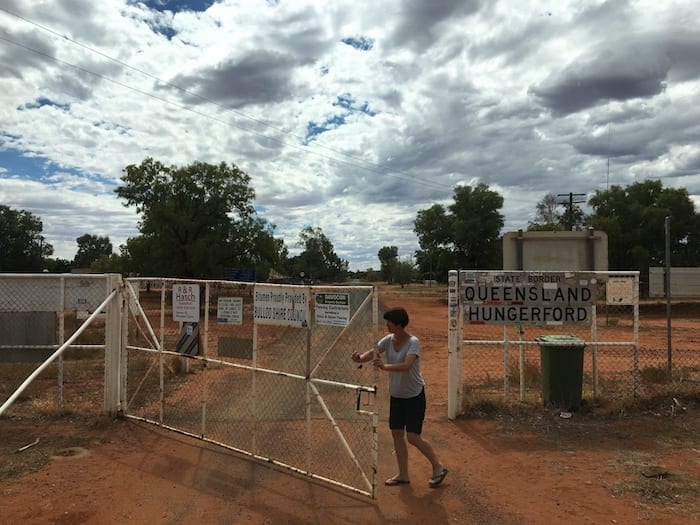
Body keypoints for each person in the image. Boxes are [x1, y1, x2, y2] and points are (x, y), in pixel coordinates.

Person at [351, 306, 448, 488]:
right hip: (397, 396)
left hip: (414, 396)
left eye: (389, 322)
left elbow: (407, 365)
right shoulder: (388, 340)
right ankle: (403, 474)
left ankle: (438, 466)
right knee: (396, 434)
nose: (387, 325)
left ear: (399, 324)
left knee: (412, 436)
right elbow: (372, 354)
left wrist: (384, 367)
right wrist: (359, 358)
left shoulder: (413, 342)